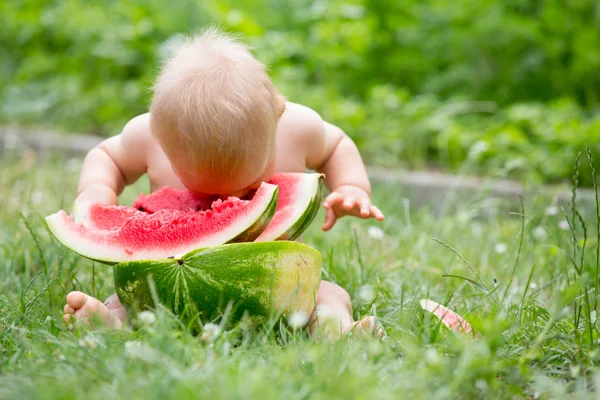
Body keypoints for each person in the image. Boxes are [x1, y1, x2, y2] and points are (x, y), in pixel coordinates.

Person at [62, 29, 385, 339]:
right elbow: (108, 156)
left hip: (277, 283)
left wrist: (351, 188)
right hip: (170, 279)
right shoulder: (145, 135)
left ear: (278, 115)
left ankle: (338, 332)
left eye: (249, 189)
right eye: (202, 193)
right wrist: (96, 191)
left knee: (328, 295)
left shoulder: (298, 127)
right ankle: (110, 322)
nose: (224, 200)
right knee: (131, 299)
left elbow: (336, 145)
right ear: (159, 138)